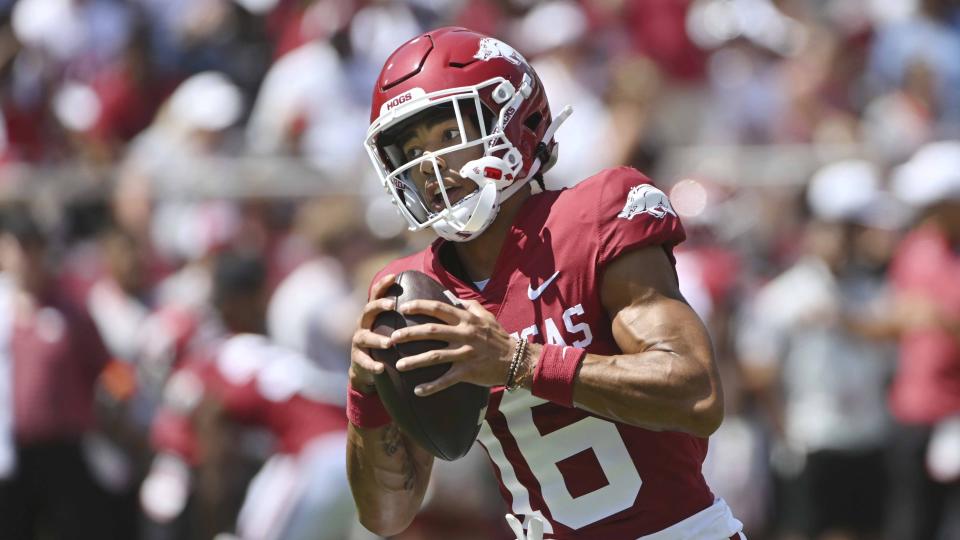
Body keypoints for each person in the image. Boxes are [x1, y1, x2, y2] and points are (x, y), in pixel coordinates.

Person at [346, 27, 741, 540]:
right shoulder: (413, 289)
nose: (432, 166)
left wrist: (518, 362)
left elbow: (697, 395)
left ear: (517, 120)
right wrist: (365, 394)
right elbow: (387, 516)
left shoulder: (595, 215)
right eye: (413, 150)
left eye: (448, 135)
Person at [142, 250, 354, 540]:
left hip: (313, 458)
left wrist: (214, 508)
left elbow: (213, 424)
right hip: (357, 453)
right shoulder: (267, 350)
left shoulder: (223, 356)